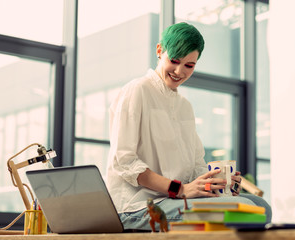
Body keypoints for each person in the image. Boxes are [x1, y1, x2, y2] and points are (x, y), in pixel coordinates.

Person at [106, 22, 271, 231]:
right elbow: (124, 163)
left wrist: (221, 185)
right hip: (137, 207)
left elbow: (195, 166)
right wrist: (180, 189)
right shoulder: (136, 91)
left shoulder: (184, 106)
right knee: (244, 209)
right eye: (174, 61)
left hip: (173, 200)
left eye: (189, 65)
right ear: (159, 51)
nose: (179, 71)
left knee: (262, 207)